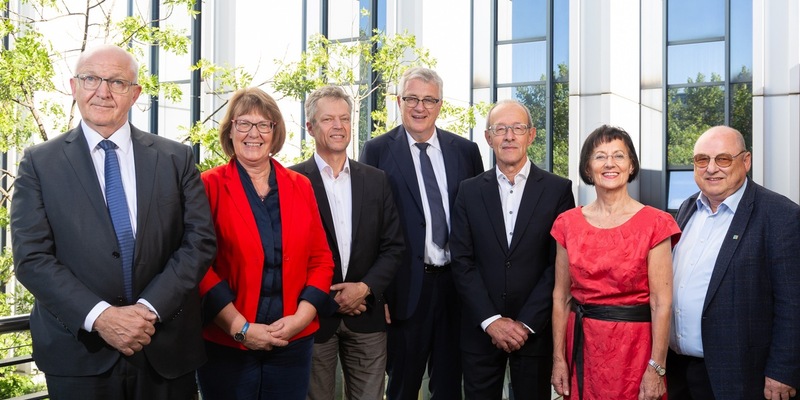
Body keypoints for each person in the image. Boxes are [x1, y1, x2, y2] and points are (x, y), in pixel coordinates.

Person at [9, 44, 217, 399]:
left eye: (117, 82)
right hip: (78, 354)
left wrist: (147, 311)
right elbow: (32, 259)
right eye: (91, 78)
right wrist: (102, 317)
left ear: (134, 94)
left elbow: (199, 243)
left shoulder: (176, 158)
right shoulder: (38, 163)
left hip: (165, 348)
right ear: (74, 86)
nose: (102, 92)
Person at [196, 87, 334, 400]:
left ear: (275, 132)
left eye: (263, 125)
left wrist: (301, 318)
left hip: (292, 341)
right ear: (230, 130)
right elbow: (199, 266)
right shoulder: (208, 185)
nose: (253, 133)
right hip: (227, 342)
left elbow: (321, 259)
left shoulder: (300, 186)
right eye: (243, 123)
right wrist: (240, 327)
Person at [359, 66, 484, 399]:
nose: (420, 107)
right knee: (402, 386)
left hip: (457, 289)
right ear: (399, 101)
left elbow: (479, 223)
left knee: (448, 386)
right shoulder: (377, 152)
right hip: (405, 290)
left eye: (429, 100)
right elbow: (368, 229)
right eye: (412, 98)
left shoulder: (466, 152)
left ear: (440, 105)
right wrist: (378, 293)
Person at [449, 99, 575, 399]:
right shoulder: (468, 191)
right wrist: (491, 321)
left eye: (517, 128)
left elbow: (558, 266)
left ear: (530, 135)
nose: (509, 136)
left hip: (535, 332)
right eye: (500, 129)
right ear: (488, 137)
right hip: (481, 332)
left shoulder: (558, 190)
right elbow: (462, 261)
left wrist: (527, 323)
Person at [289, 85, 405, 400]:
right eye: (328, 119)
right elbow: (287, 253)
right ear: (310, 127)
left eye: (344, 118)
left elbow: (393, 246)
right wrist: (323, 297)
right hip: (312, 316)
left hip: (366, 314)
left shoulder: (376, 180)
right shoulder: (291, 182)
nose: (339, 126)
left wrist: (364, 288)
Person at [667, 126, 800, 400]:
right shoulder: (686, 208)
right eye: (702, 160)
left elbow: (793, 302)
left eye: (723, 159)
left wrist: (783, 370)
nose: (711, 168)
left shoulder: (781, 215)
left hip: (741, 376)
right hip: (679, 370)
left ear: (746, 161)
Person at [550, 125, 679, 400]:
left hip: (636, 350)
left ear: (631, 165)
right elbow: (561, 298)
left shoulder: (656, 223)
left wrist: (657, 368)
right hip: (582, 347)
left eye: (619, 156)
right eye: (599, 156)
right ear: (588, 168)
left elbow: (661, 302)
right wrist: (558, 358)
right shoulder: (567, 223)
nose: (610, 163)